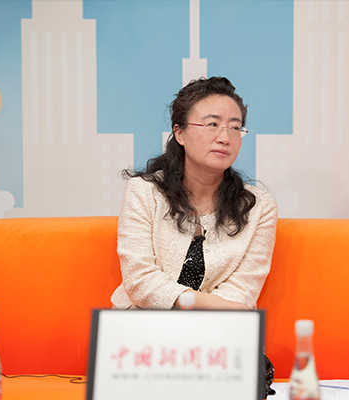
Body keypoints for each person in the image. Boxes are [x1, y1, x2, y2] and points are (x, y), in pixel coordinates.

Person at [111, 76, 278, 396]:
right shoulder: (143, 192)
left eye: (235, 127)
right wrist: (200, 303)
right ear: (180, 133)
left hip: (217, 340)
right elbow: (139, 280)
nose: (225, 137)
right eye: (212, 124)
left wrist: (203, 328)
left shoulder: (259, 206)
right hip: (144, 333)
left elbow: (243, 291)